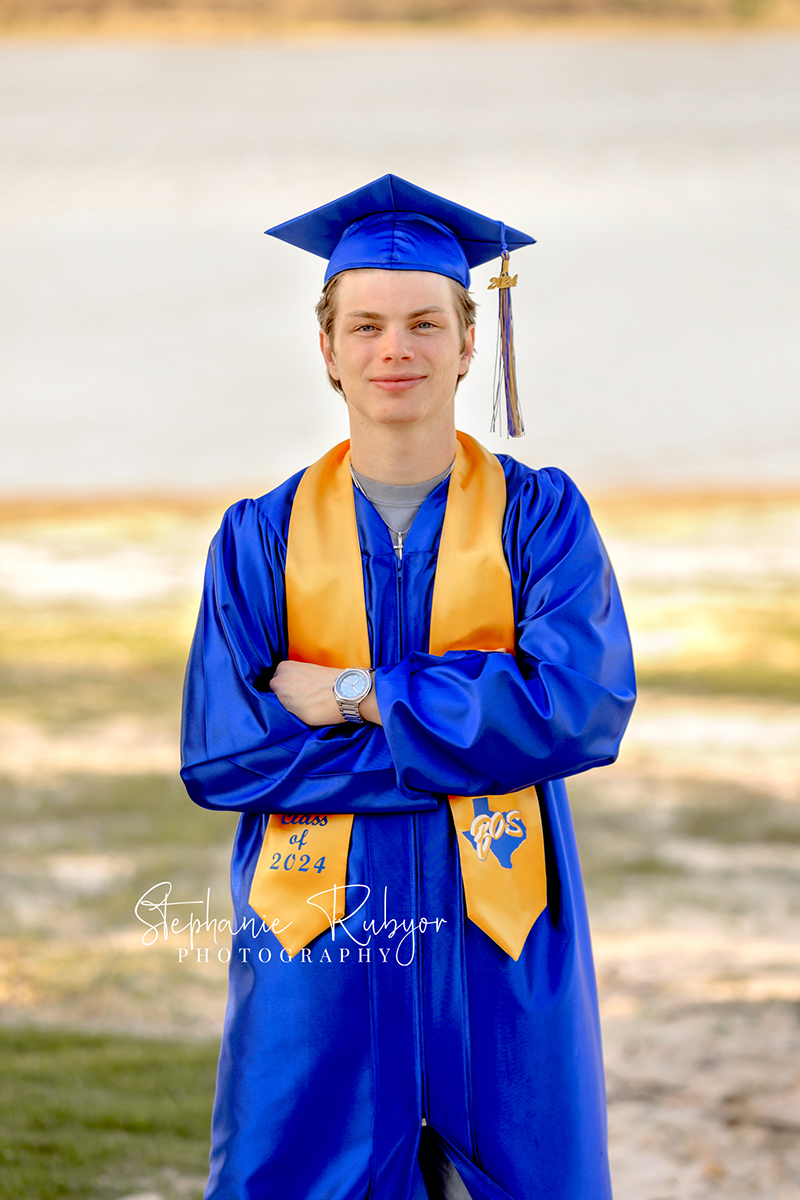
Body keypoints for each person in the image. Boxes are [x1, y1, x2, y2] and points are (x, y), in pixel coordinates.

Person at [181, 174, 636, 1200]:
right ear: (328, 348)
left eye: (425, 324)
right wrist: (475, 733)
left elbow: (583, 707)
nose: (397, 349)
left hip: (503, 937)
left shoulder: (540, 519)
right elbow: (224, 755)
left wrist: (356, 693)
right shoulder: (257, 537)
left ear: (469, 343)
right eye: (368, 325)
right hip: (320, 944)